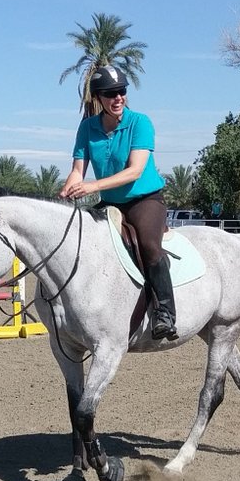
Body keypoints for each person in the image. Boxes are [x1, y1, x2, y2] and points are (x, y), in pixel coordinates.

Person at [58, 64, 177, 341]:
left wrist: (91, 186)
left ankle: (165, 312)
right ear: (98, 98)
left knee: (149, 245)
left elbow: (135, 171)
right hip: (110, 203)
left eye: (121, 91)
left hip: (144, 201)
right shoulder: (87, 128)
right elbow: (78, 169)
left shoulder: (140, 123)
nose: (118, 98)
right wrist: (68, 189)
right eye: (111, 93)